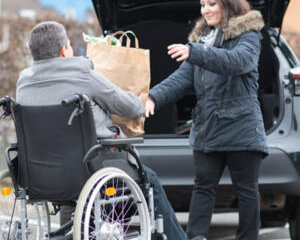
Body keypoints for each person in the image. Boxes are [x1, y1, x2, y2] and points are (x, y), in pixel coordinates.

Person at [16, 21, 186, 240]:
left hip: (40, 176)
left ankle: (82, 230)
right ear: (63, 51)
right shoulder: (82, 74)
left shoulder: (24, 82)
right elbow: (133, 108)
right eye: (68, 44)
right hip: (88, 170)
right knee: (148, 178)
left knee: (77, 188)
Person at [145, 0, 269, 240]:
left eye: (212, 3)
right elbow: (181, 79)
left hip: (242, 128)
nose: (205, 9)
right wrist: (153, 97)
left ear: (228, 3)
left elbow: (236, 62)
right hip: (208, 128)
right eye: (203, 4)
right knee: (203, 188)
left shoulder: (248, 35)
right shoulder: (202, 40)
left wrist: (195, 52)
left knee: (246, 190)